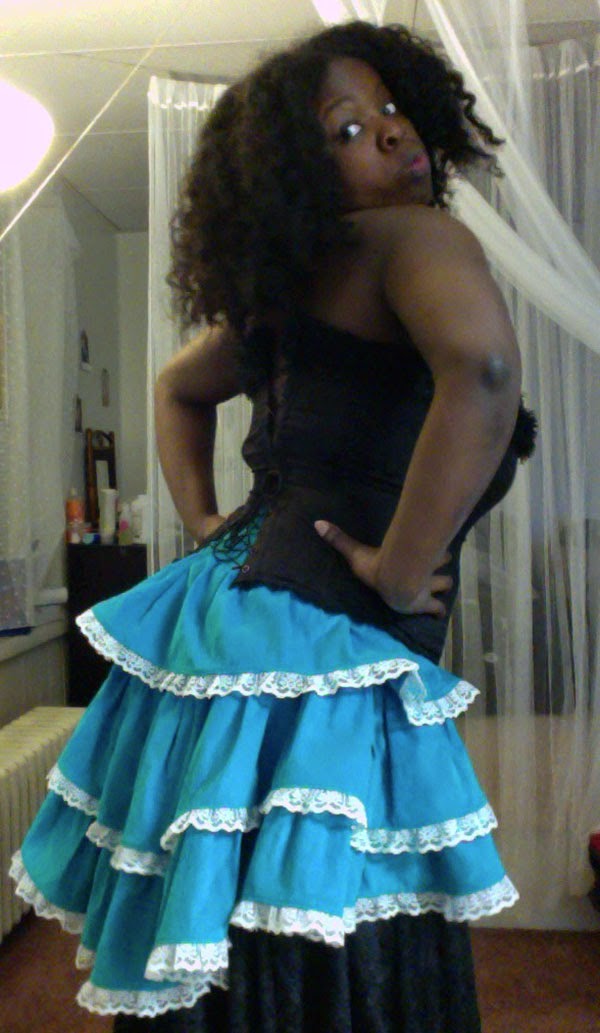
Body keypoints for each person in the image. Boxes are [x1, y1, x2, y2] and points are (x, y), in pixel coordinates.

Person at [11, 20, 536, 1033]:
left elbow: (177, 387)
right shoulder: (414, 237)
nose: (391, 133)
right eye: (348, 129)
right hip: (317, 634)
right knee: (328, 891)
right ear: (297, 171)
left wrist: (210, 521)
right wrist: (400, 570)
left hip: (230, 615)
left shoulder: (295, 285)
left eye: (391, 109)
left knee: (222, 880)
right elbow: (485, 373)